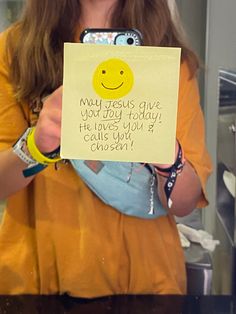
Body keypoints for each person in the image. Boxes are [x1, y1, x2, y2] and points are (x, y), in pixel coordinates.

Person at [0, 0, 212, 296]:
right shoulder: (15, 48)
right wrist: (35, 147)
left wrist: (170, 161)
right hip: (39, 281)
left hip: (145, 284)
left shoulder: (170, 60)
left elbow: (185, 203)